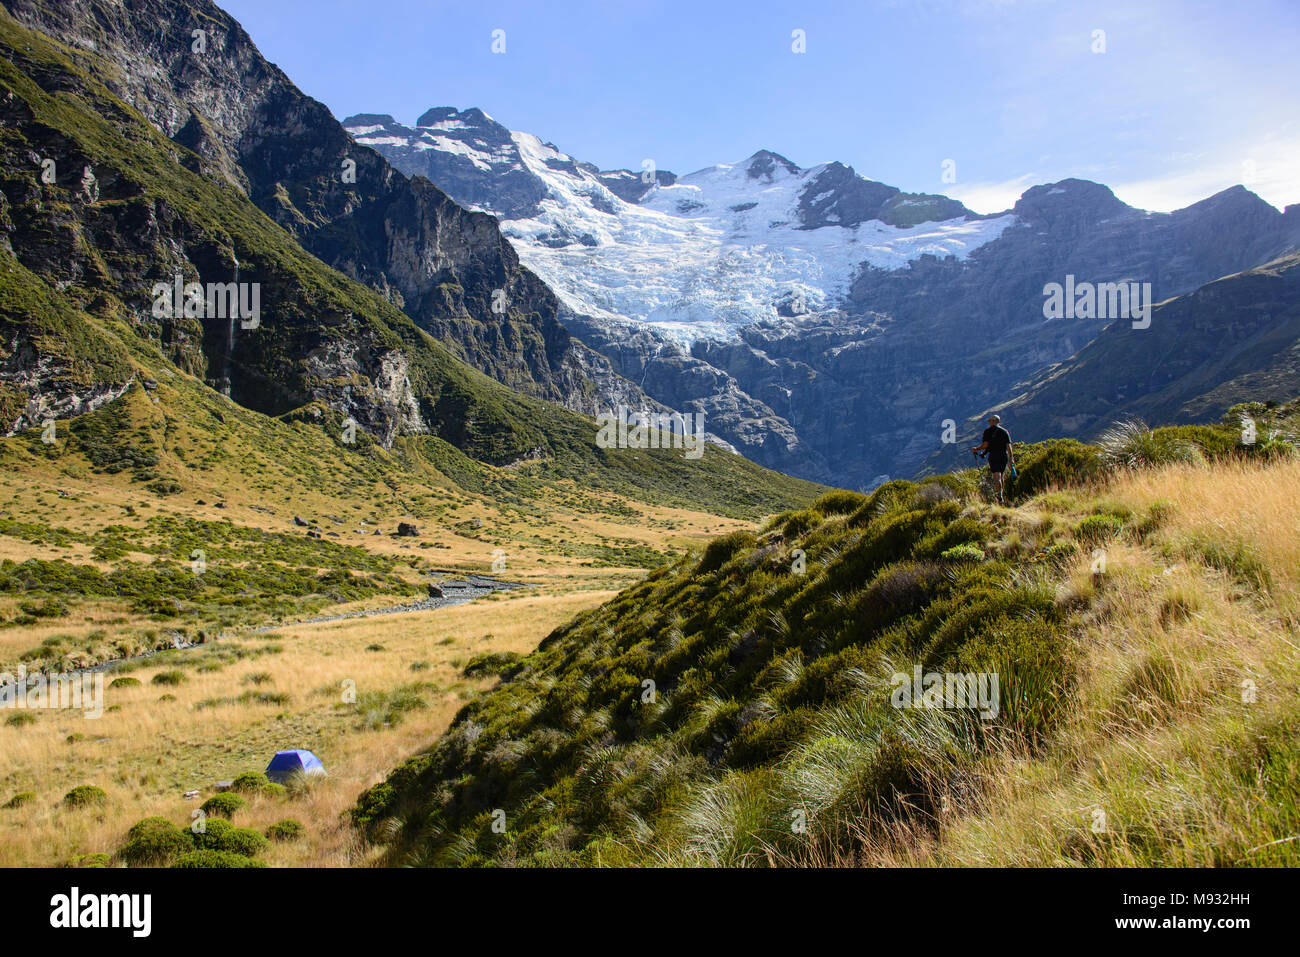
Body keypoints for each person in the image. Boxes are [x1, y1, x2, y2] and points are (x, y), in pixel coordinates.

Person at [971, 414, 1014, 504]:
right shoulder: (1004, 431)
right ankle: (1002, 494)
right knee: (1002, 475)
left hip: (994, 456)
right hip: (1003, 455)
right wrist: (1011, 458)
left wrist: (977, 449)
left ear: (993, 421)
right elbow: (1008, 446)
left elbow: (985, 445)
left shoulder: (988, 431)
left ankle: (999, 495)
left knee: (996, 476)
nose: (989, 422)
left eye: (990, 421)